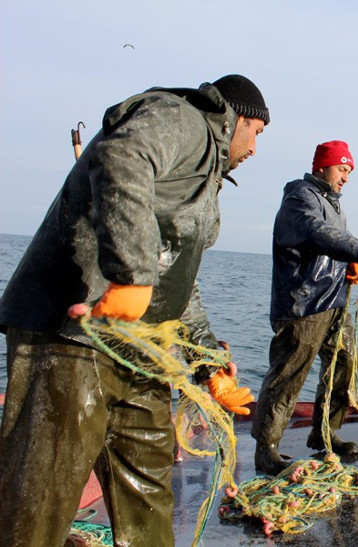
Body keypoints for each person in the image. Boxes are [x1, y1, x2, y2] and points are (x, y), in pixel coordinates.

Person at [0, 74, 269, 546]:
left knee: (149, 487)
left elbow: (180, 281)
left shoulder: (206, 182)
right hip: (73, 334)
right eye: (259, 134)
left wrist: (208, 363)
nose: (255, 148)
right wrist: (133, 274)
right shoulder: (183, 118)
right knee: (39, 499)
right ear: (240, 118)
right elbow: (120, 157)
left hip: (138, 351)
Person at [253, 140, 358, 475]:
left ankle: (324, 433)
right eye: (342, 169)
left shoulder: (334, 206)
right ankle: (266, 449)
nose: (346, 177)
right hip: (303, 303)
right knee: (289, 374)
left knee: (345, 366)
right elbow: (315, 233)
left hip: (333, 301)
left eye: (349, 171)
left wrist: (350, 265)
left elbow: (332, 243)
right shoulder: (300, 196)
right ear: (322, 166)